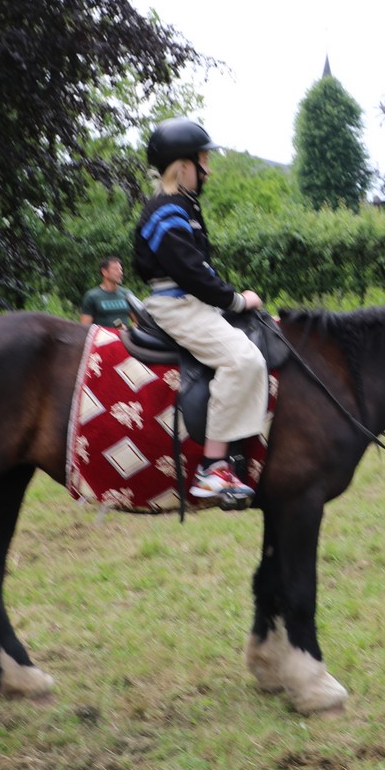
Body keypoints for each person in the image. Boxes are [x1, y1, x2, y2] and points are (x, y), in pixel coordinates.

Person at [134, 118, 266, 502]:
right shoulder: (167, 210)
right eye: (203, 160)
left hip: (189, 302)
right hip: (178, 306)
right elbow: (191, 271)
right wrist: (236, 300)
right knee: (243, 360)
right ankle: (212, 468)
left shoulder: (180, 206)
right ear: (183, 167)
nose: (208, 169)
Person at [79, 256, 135, 328]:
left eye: (121, 269)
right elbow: (84, 328)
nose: (120, 272)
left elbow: (138, 322)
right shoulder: (92, 296)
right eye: (115, 269)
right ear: (104, 272)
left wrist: (130, 330)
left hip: (125, 334)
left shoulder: (127, 294)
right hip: (102, 335)